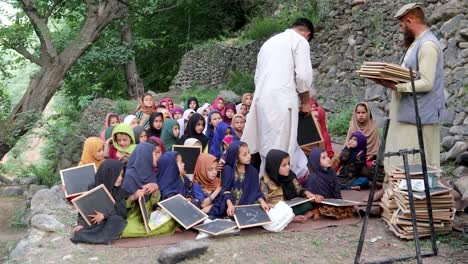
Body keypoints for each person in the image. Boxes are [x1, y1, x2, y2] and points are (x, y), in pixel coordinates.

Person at [373, 3, 445, 172]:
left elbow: (427, 82)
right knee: (399, 154)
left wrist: (397, 87)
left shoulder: (427, 45)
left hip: (420, 114)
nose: (400, 30)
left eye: (401, 25)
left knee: (416, 162)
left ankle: (410, 195)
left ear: (410, 20)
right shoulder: (417, 43)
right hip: (408, 111)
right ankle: (392, 190)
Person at [242, 18, 315, 180]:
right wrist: (305, 102)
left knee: (265, 145)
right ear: (307, 34)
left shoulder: (268, 43)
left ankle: (264, 184)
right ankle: (276, 190)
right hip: (282, 101)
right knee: (280, 148)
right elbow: (303, 75)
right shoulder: (300, 41)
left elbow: (257, 77)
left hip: (261, 100)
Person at [120, 142, 177, 237]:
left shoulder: (150, 174)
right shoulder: (129, 176)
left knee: (171, 220)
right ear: (145, 156)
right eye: (154, 154)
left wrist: (155, 189)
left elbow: (153, 204)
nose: (157, 157)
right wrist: (134, 197)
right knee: (125, 228)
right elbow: (122, 206)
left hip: (148, 215)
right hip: (133, 217)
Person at [71, 159, 128, 244]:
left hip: (110, 218)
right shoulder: (93, 187)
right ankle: (97, 236)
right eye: (118, 175)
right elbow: (84, 209)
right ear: (109, 175)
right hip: (96, 221)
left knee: (116, 220)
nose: (121, 178)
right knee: (80, 231)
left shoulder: (119, 190)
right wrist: (81, 224)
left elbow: (122, 212)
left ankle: (99, 237)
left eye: (121, 175)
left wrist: (104, 215)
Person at [208, 141, 269, 219]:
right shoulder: (228, 170)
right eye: (244, 155)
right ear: (236, 157)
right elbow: (225, 191)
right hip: (229, 206)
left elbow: (256, 192)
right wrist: (230, 205)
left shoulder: (253, 171)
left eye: (249, 153)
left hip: (245, 208)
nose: (249, 156)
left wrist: (262, 202)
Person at [261, 149, 322, 223]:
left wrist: (306, 193)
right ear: (275, 166)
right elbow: (263, 198)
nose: (288, 167)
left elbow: (299, 189)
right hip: (276, 208)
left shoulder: (290, 175)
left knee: (308, 204)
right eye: (284, 165)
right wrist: (267, 204)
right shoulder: (265, 180)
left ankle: (289, 217)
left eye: (288, 163)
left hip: (291, 205)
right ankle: (292, 218)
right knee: (268, 212)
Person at [305, 148, 354, 220]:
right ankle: (317, 211)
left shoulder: (331, 172)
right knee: (335, 210)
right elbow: (309, 195)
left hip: (332, 202)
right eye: (323, 158)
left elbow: (336, 189)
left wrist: (341, 202)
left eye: (327, 156)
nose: (328, 159)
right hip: (321, 204)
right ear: (316, 162)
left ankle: (319, 212)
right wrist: (315, 197)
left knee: (351, 208)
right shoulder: (313, 177)